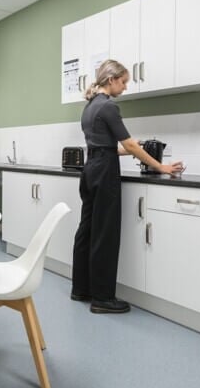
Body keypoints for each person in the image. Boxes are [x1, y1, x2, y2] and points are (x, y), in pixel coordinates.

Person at [71, 59, 184, 314]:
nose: (124, 87)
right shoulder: (109, 106)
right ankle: (102, 298)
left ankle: (81, 289)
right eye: (123, 82)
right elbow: (130, 145)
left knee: (87, 230)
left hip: (90, 170)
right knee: (105, 234)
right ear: (111, 80)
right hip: (104, 173)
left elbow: (106, 147)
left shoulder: (89, 107)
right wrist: (161, 167)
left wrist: (134, 148)